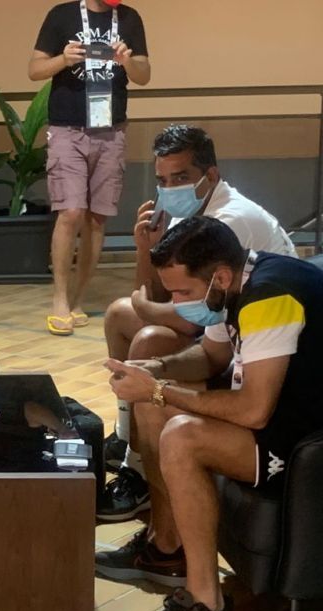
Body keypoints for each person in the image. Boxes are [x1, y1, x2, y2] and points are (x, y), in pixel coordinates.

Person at [98, 215, 323, 611]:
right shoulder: (233, 282)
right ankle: (167, 548)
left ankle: (208, 610)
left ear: (218, 276)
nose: (177, 304)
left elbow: (254, 410)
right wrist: (156, 370)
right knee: (154, 406)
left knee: (182, 435)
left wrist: (160, 390)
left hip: (307, 441)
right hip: (281, 413)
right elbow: (210, 356)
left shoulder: (269, 298)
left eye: (183, 293)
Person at [99, 125, 296, 522]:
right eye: (162, 181)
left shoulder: (229, 221)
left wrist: (156, 378)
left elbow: (187, 317)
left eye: (181, 178)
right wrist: (145, 249)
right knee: (121, 315)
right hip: (225, 325)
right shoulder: (186, 215)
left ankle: (139, 467)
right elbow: (162, 292)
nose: (169, 189)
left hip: (265, 342)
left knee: (150, 340)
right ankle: (130, 445)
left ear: (211, 175)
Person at [29, 0, 150, 336]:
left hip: (111, 130)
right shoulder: (61, 15)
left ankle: (78, 299)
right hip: (67, 129)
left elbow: (144, 75)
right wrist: (63, 59)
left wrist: (127, 62)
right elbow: (34, 70)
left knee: (97, 218)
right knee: (70, 212)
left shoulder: (129, 18)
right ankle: (59, 299)